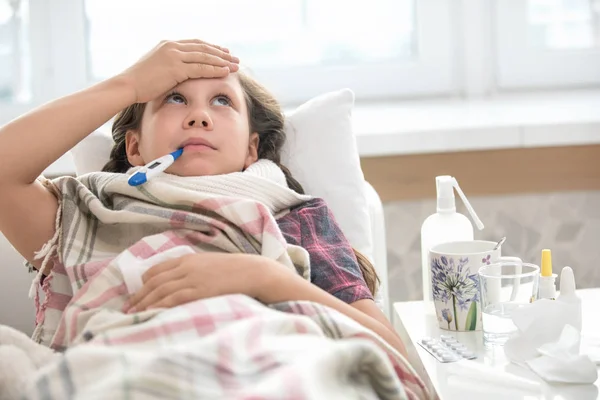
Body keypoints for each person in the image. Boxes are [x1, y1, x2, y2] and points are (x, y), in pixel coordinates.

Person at [0, 39, 406, 356]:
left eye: (222, 101)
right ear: (136, 148)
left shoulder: (296, 220)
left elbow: (389, 350)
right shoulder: (91, 214)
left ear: (251, 149)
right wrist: (131, 84)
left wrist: (264, 278)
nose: (199, 116)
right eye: (175, 98)